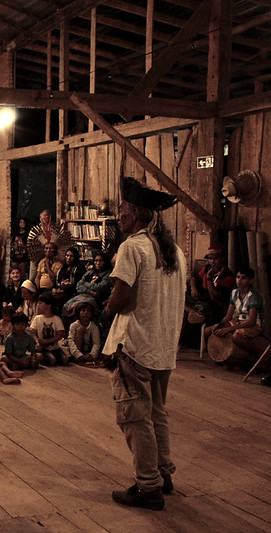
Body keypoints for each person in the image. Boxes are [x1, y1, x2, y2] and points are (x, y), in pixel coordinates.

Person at [104, 177, 185, 511]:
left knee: (135, 416)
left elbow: (121, 299)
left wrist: (105, 308)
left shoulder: (132, 247)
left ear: (135, 212)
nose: (119, 215)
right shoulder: (175, 251)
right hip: (163, 347)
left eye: (122, 209)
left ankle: (148, 486)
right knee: (156, 413)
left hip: (135, 346)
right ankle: (163, 474)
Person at [206, 267, 266, 366]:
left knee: (237, 336)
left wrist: (229, 329)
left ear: (250, 281)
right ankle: (224, 358)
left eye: (243, 278)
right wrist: (220, 325)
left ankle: (260, 357)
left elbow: (251, 321)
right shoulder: (234, 293)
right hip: (237, 322)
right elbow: (228, 316)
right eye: (238, 277)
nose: (239, 280)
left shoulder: (254, 296)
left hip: (252, 325)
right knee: (208, 331)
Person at [28, 292, 67, 366]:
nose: (38, 305)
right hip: (43, 348)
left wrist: (47, 341)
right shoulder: (37, 318)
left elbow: (61, 334)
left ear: (48, 305)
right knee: (51, 360)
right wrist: (37, 341)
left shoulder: (56, 318)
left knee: (65, 360)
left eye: (40, 303)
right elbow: (32, 332)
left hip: (55, 348)